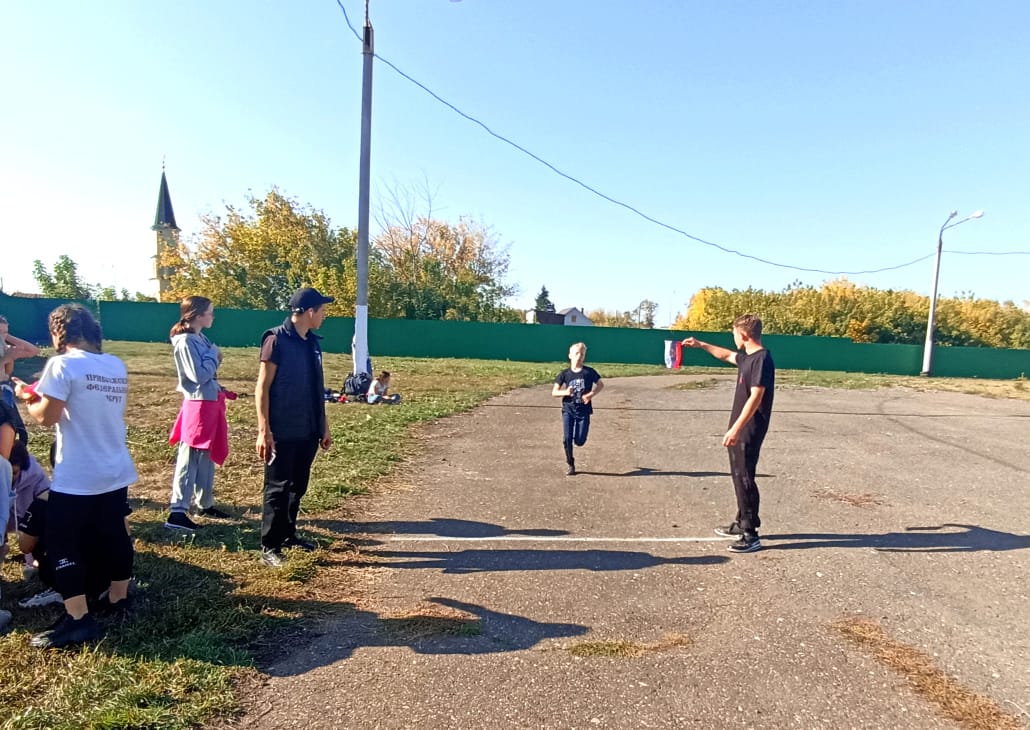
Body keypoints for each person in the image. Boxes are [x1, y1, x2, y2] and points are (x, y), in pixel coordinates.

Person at [13, 303, 137, 648]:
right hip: (115, 466)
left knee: (62, 541)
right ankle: (118, 598)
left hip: (79, 473)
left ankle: (78, 618)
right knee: (115, 533)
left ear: (59, 333)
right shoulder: (114, 364)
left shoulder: (62, 364)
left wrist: (27, 398)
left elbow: (47, 417)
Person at [681, 313, 775, 554]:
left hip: (749, 428)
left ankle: (751, 534)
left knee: (744, 477)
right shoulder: (747, 358)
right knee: (739, 474)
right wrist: (701, 345)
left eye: (733, 333)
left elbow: (756, 396)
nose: (733, 338)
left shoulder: (762, 359)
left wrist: (736, 428)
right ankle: (742, 521)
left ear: (743, 335)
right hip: (741, 427)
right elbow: (725, 355)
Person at [255, 287, 334, 567]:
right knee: (277, 488)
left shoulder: (312, 342)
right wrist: (264, 430)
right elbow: (262, 388)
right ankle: (270, 546)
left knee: (297, 486)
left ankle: (288, 535)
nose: (324, 316)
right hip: (282, 429)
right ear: (310, 312)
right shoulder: (276, 340)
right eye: (322, 311)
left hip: (308, 428)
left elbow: (316, 388)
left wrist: (324, 426)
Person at [165, 296, 231, 532]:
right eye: (210, 312)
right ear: (197, 315)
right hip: (198, 404)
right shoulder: (185, 341)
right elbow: (198, 375)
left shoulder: (200, 338)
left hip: (209, 402)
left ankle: (205, 503)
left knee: (206, 455)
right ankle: (178, 511)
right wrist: (214, 354)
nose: (213, 317)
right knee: (190, 455)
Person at [552, 342, 604, 476]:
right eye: (576, 353)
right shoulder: (564, 374)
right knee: (567, 438)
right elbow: (554, 392)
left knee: (579, 441)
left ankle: (579, 438)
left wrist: (591, 394)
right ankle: (570, 463)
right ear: (570, 355)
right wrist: (565, 392)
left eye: (582, 354)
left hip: (583, 410)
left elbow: (600, 384)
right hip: (568, 409)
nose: (579, 356)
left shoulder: (589, 372)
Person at [6, 439, 51, 577]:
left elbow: (45, 504)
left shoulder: (36, 476)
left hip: (29, 516)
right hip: (7, 515)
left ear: (22, 467)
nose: (9, 478)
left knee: (42, 528)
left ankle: (35, 562)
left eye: (14, 472)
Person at [0, 314, 41, 408]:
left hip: (4, 392)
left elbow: (33, 351)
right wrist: (6, 358)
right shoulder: (6, 353)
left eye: (5, 332)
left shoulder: (5, 349)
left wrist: (7, 336)